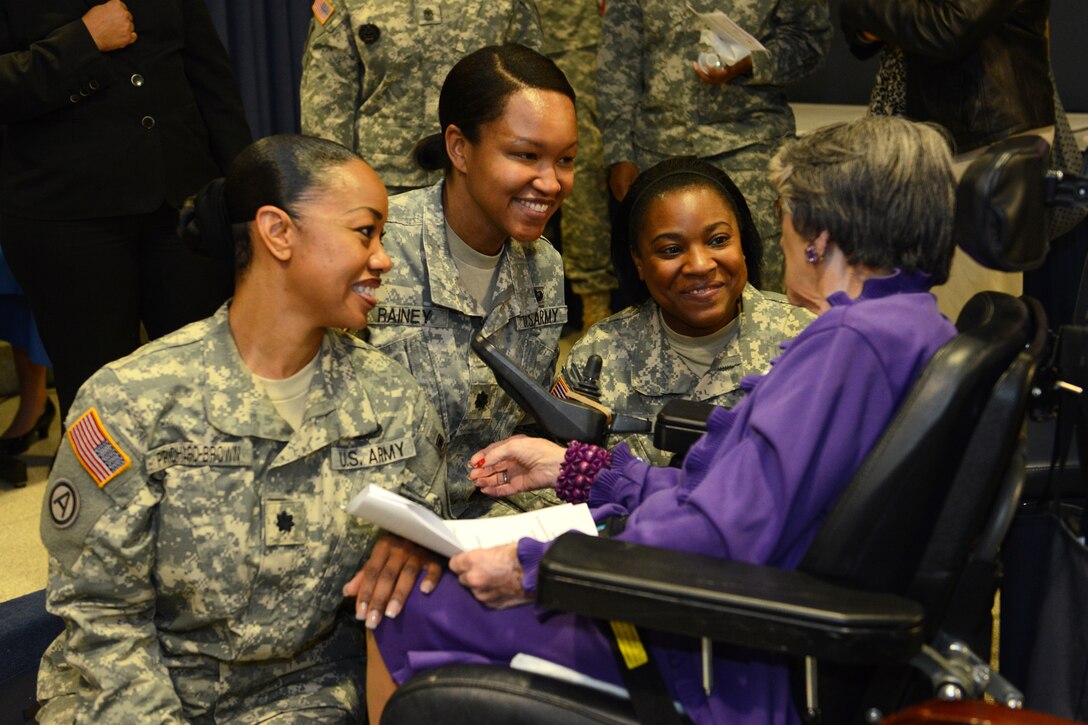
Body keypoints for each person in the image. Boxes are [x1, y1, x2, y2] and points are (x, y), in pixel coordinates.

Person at [366, 115, 959, 725]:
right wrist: (580, 469)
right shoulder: (919, 328)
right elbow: (743, 499)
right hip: (755, 622)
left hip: (718, 653)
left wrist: (537, 569)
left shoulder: (846, 344)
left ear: (819, 233)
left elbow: (720, 533)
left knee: (404, 598)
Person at [36, 135, 449, 723]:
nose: (383, 258)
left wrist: (418, 548)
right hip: (141, 694)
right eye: (365, 232)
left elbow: (423, 551)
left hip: (310, 698)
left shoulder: (390, 398)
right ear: (277, 232)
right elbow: (103, 617)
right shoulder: (133, 401)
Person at [0, 0, 253, 422]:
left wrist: (247, 193)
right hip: (66, 218)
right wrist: (81, 43)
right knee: (99, 403)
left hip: (182, 210)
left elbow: (212, 81)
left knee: (212, 388)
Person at [364, 44, 575, 520]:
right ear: (459, 148)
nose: (551, 182)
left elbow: (529, 429)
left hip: (491, 522)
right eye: (526, 155)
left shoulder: (544, 266)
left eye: (565, 160)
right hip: (380, 527)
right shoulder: (375, 249)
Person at [559, 157, 812, 465]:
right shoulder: (598, 356)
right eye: (671, 250)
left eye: (718, 240)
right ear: (638, 261)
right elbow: (561, 478)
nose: (700, 265)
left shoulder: (807, 339)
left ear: (742, 243)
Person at [597, 0, 832, 293]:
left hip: (749, 144)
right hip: (659, 145)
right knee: (666, 281)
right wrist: (619, 151)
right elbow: (618, 59)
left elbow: (810, 41)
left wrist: (753, 62)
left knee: (762, 280)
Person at [299, 0, 543, 195]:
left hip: (481, 184)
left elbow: (530, 90)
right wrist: (338, 189)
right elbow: (326, 107)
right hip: (382, 186)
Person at [536, 0, 616, 331]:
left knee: (581, 184)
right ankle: (533, 308)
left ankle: (595, 312)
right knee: (523, 171)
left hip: (581, 44)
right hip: (510, 40)